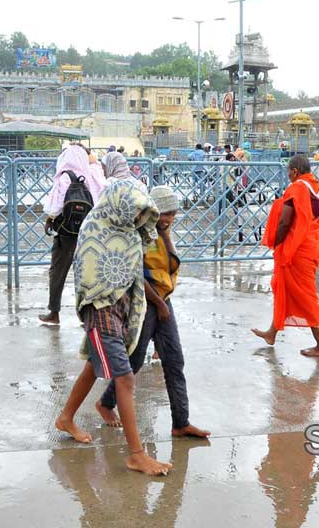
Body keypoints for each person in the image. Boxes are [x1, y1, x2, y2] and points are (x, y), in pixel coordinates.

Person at [54, 179, 172, 476]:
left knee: (94, 367)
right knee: (125, 378)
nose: (137, 218)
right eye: (134, 211)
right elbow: (90, 270)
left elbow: (140, 258)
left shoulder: (127, 229)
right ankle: (136, 454)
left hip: (119, 309)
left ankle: (66, 417)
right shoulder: (96, 226)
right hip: (100, 308)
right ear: (120, 202)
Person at [95, 186, 210, 439]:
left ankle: (181, 422)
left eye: (172, 214)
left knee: (174, 361)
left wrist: (167, 233)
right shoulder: (141, 233)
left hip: (163, 301)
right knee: (134, 361)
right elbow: (136, 273)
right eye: (164, 214)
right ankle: (105, 403)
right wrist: (158, 304)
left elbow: (171, 264)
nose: (168, 219)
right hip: (145, 302)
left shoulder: (165, 232)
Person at [252, 155, 319, 357]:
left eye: (288, 173)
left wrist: (275, 243)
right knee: (284, 286)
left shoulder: (296, 189)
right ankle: (272, 333)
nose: (288, 176)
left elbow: (285, 222)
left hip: (297, 251)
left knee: (306, 297)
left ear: (294, 171)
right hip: (312, 248)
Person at [38, 144, 105, 325]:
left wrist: (50, 220)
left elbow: (56, 206)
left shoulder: (65, 177)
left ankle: (54, 312)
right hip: (89, 232)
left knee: (58, 271)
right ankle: (86, 314)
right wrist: (91, 156)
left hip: (67, 233)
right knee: (86, 273)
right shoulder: (92, 175)